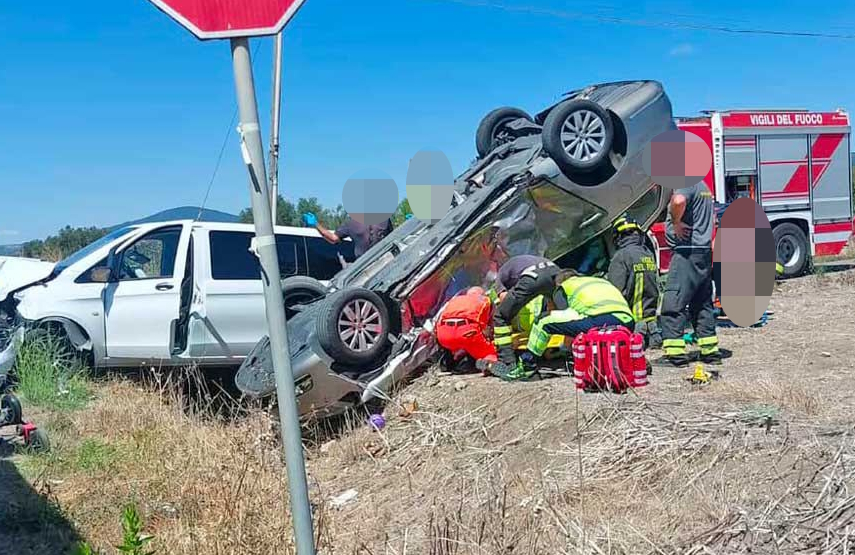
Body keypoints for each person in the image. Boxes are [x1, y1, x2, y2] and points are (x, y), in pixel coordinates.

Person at [659, 182, 721, 367]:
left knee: (673, 302)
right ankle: (710, 351)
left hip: (687, 253)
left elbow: (678, 201)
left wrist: (676, 222)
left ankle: (675, 355)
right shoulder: (703, 187)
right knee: (701, 303)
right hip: (702, 252)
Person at [486, 255, 566, 381]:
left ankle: (508, 363)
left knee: (501, 316)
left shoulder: (500, 276)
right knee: (557, 314)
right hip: (556, 272)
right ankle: (565, 351)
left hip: (533, 276)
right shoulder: (523, 261)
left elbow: (504, 300)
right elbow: (552, 306)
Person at [525, 272, 635, 362]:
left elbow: (567, 316)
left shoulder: (564, 286)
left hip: (601, 320)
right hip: (628, 321)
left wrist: (563, 349)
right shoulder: (598, 281)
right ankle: (632, 359)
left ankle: (527, 365)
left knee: (543, 320)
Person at [607, 216, 662, 348]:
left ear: (618, 237)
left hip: (634, 320)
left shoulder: (621, 256)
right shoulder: (647, 253)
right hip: (650, 314)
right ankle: (653, 335)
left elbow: (616, 290)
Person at [434, 287, 497, 372]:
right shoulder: (486, 300)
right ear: (483, 294)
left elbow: (438, 321)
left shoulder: (454, 300)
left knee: (459, 344)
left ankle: (448, 363)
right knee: (491, 351)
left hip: (443, 334)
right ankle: (488, 363)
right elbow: (492, 325)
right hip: (466, 332)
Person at [302, 213, 393, 259]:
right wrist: (316, 224)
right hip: (363, 267)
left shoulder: (385, 219)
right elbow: (334, 239)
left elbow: (394, 238)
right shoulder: (351, 223)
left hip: (384, 264)